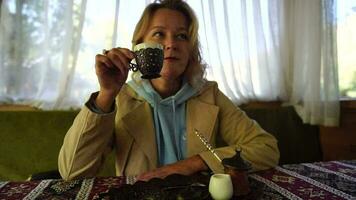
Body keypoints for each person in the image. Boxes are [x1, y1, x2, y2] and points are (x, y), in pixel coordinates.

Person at [58, 0, 279, 181]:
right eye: (158, 34)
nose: (171, 44)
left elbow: (266, 148)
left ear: (191, 50)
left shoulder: (209, 94)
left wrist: (194, 163)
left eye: (182, 36)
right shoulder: (119, 98)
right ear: (138, 47)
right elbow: (73, 173)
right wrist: (106, 94)